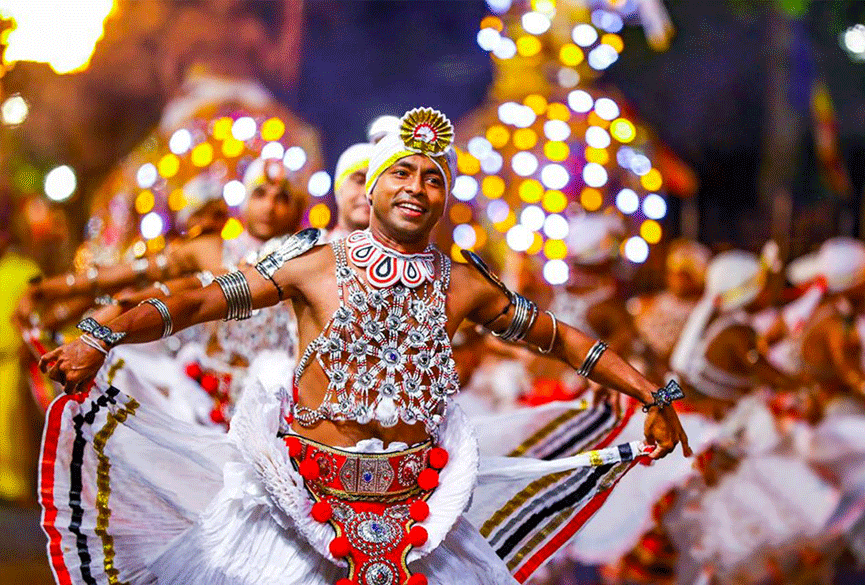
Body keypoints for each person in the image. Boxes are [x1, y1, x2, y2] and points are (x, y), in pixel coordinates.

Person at [38, 107, 689, 585]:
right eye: (400, 172)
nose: (415, 186)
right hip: (298, 507)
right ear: (369, 188)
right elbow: (197, 301)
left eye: (432, 178)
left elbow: (560, 338)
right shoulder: (312, 263)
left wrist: (649, 392)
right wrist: (102, 334)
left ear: (443, 198)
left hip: (418, 521)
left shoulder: (463, 284)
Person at [328, 142, 373, 241]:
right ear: (339, 189)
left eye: (375, 185)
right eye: (359, 181)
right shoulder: (315, 250)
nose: (368, 193)